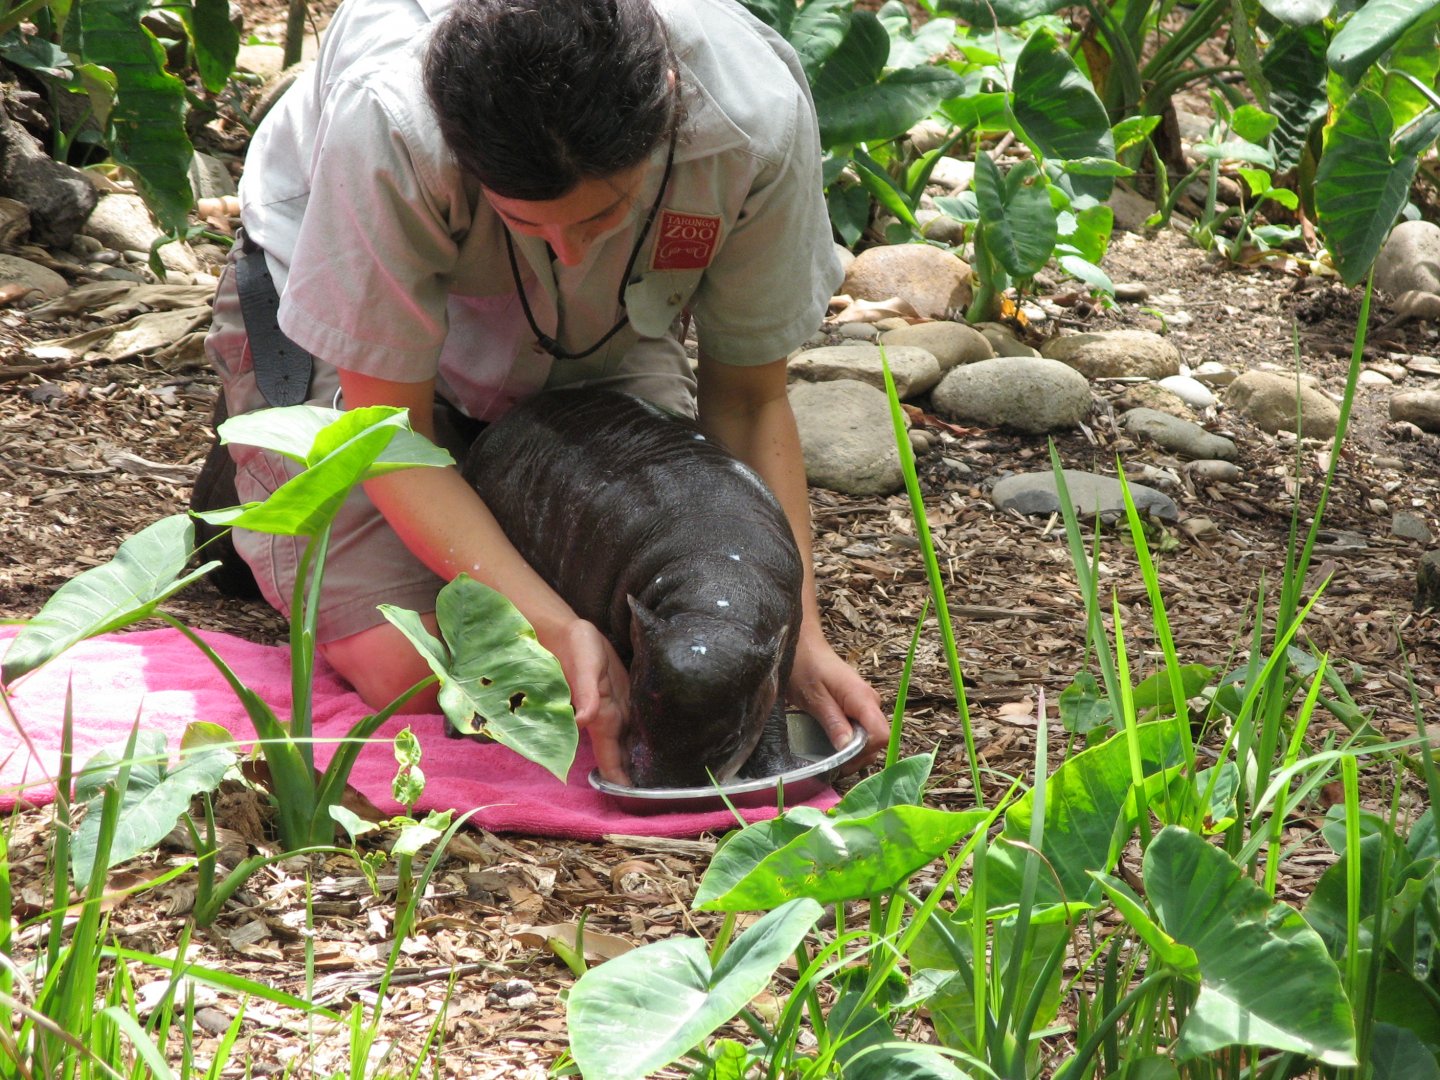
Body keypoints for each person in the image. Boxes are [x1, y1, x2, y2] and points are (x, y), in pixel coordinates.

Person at [199, 0, 888, 784]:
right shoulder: (390, 120)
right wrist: (552, 627)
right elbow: (387, 426)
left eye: (601, 215)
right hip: (354, 330)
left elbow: (749, 398)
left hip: (601, 334)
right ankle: (258, 452)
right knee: (428, 672)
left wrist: (795, 639)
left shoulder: (752, 115)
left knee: (674, 654)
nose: (569, 252)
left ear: (667, 106)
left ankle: (478, 456)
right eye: (526, 222)